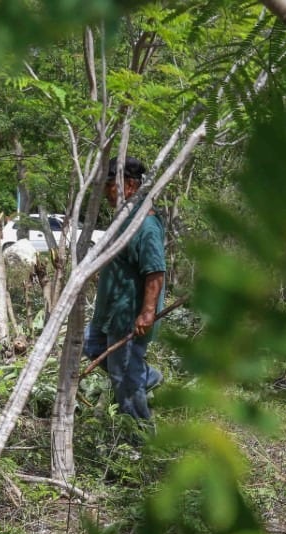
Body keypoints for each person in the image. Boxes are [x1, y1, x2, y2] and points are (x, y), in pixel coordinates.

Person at [83, 156, 166, 422]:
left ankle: (140, 438)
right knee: (90, 343)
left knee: (125, 383)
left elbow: (155, 271)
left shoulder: (145, 224)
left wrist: (147, 312)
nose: (106, 192)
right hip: (109, 314)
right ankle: (147, 376)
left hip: (128, 317)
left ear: (129, 185)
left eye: (109, 185)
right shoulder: (124, 218)